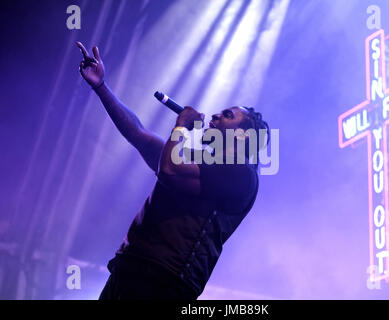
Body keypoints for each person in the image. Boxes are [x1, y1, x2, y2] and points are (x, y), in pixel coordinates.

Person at [75, 42, 269, 300]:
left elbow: (169, 171)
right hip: (131, 267)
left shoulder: (241, 174)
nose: (214, 117)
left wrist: (181, 127)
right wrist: (101, 87)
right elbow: (139, 133)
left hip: (165, 282)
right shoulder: (197, 160)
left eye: (226, 116)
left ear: (243, 136)